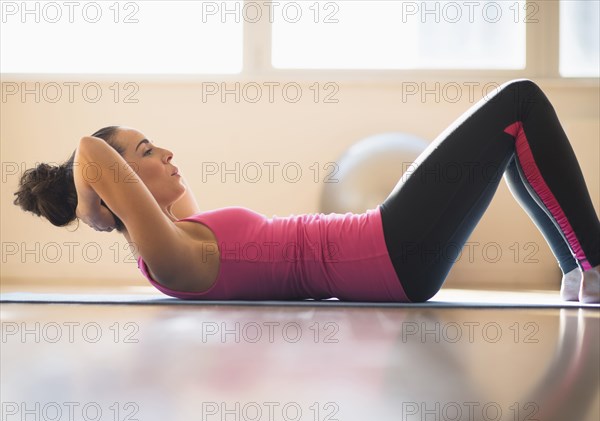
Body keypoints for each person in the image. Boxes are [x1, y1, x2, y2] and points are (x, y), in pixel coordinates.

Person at [13, 79, 600, 303]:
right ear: (122, 190)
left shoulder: (184, 235)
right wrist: (92, 202)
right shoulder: (171, 258)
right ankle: (593, 264)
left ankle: (578, 274)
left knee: (507, 132)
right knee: (519, 102)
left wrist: (101, 192)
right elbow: (90, 151)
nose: (166, 154)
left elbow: (97, 158)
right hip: (388, 250)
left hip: (387, 248)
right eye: (145, 154)